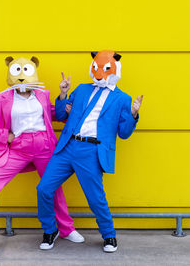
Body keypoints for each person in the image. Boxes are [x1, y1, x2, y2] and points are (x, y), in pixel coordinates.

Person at [36, 50, 143, 252]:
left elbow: (124, 133)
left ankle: (109, 235)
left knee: (95, 198)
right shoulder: (82, 89)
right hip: (68, 146)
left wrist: (134, 114)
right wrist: (63, 94)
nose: (99, 71)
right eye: (96, 66)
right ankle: (50, 230)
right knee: (44, 189)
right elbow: (60, 115)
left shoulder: (122, 99)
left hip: (92, 151)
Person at [0, 56, 84, 251]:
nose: (22, 77)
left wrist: (63, 96)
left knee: (53, 186)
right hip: (17, 147)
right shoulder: (1, 98)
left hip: (45, 145)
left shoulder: (42, 94)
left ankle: (66, 229)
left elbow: (52, 113)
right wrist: (4, 136)